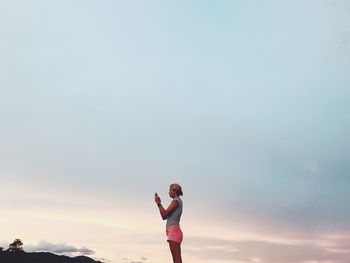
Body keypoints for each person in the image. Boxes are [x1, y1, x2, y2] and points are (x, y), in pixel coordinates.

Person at [155, 183, 183, 263]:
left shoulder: (176, 201)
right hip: (173, 231)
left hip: (174, 231)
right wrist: (159, 204)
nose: (168, 192)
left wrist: (159, 203)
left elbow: (164, 214)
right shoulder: (177, 201)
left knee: (177, 260)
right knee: (176, 260)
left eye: (170, 190)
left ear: (174, 191)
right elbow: (164, 217)